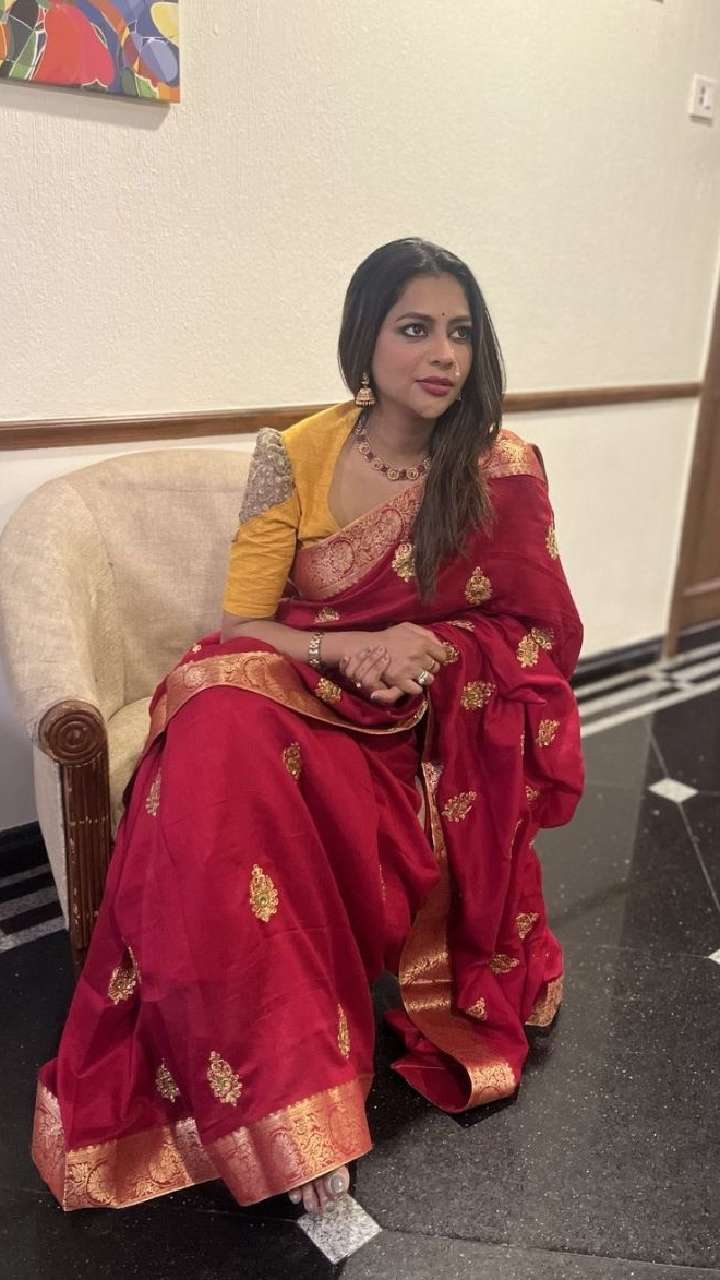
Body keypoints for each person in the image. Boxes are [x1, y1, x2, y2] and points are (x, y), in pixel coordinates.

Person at [31, 238, 584, 1220]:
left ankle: (279, 1100)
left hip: (429, 731)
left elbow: (535, 633)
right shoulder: (290, 456)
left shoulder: (500, 466)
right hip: (313, 696)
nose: (443, 353)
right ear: (364, 339)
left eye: (461, 332)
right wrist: (349, 647)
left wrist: (430, 648)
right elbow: (245, 625)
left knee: (224, 725)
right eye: (415, 328)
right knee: (216, 708)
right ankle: (284, 1102)